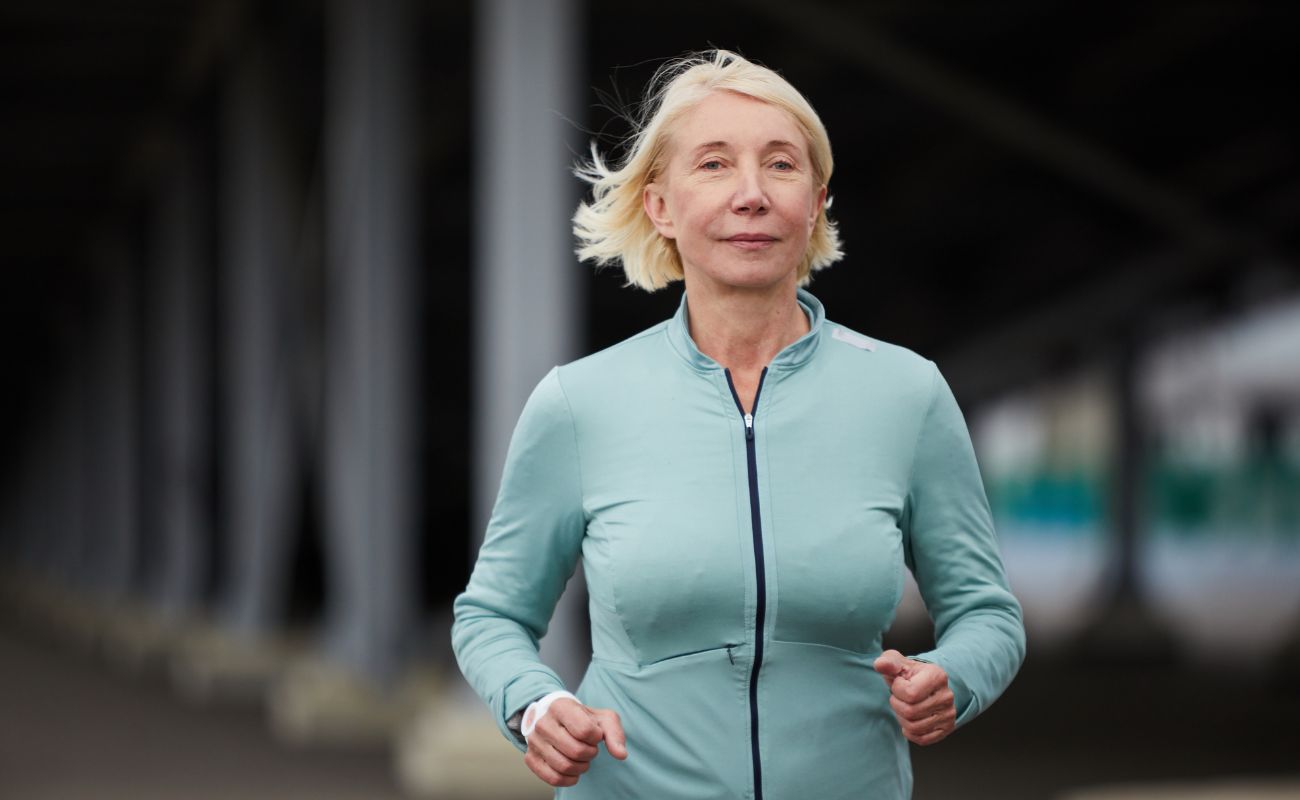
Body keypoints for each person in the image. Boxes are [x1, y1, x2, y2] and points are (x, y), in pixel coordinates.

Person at [452, 49, 1025, 799]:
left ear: (817, 200)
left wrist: (955, 678)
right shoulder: (579, 402)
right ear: (659, 205)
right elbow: (491, 615)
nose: (751, 195)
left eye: (781, 165)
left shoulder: (907, 394)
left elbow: (987, 614)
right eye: (715, 164)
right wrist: (536, 705)